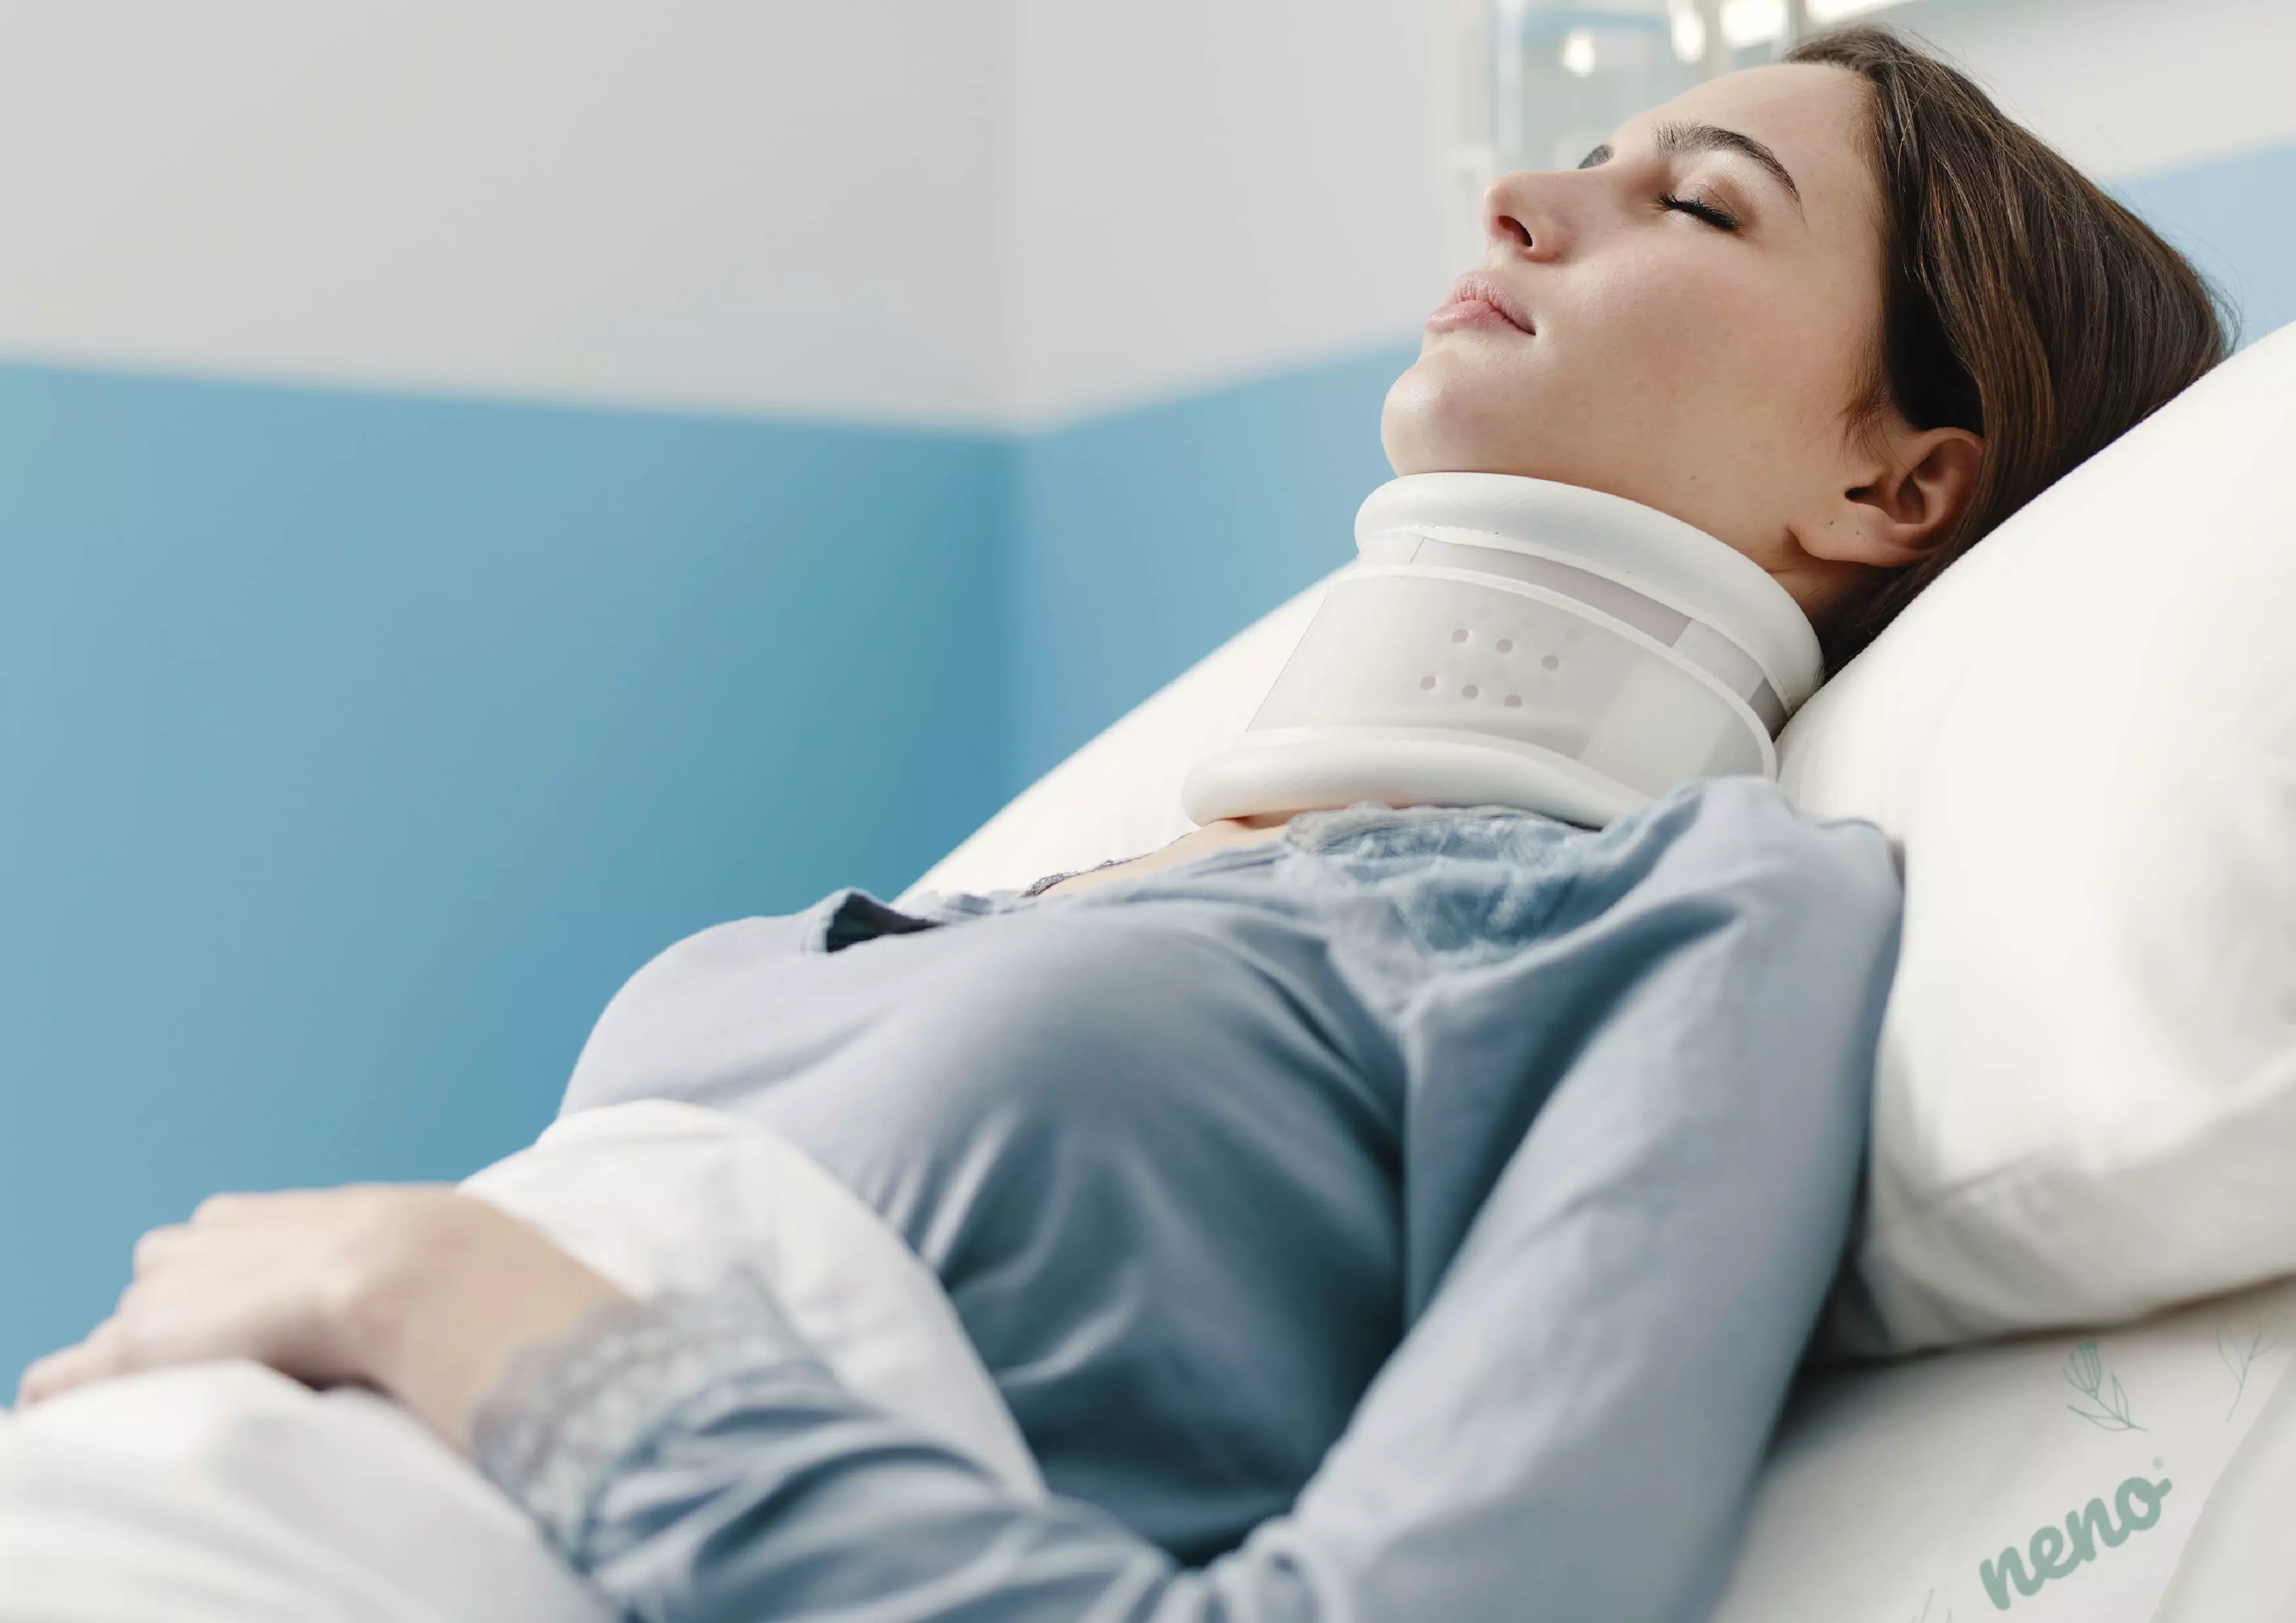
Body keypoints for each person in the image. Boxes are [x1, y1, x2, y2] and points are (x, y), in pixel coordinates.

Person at [18, 26, 2227, 1622]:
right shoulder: (998, 901)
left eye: (1694, 201)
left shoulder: (1676, 923)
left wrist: (459, 1303)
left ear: (1895, 479)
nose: (1519, 198)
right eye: (1585, 152)